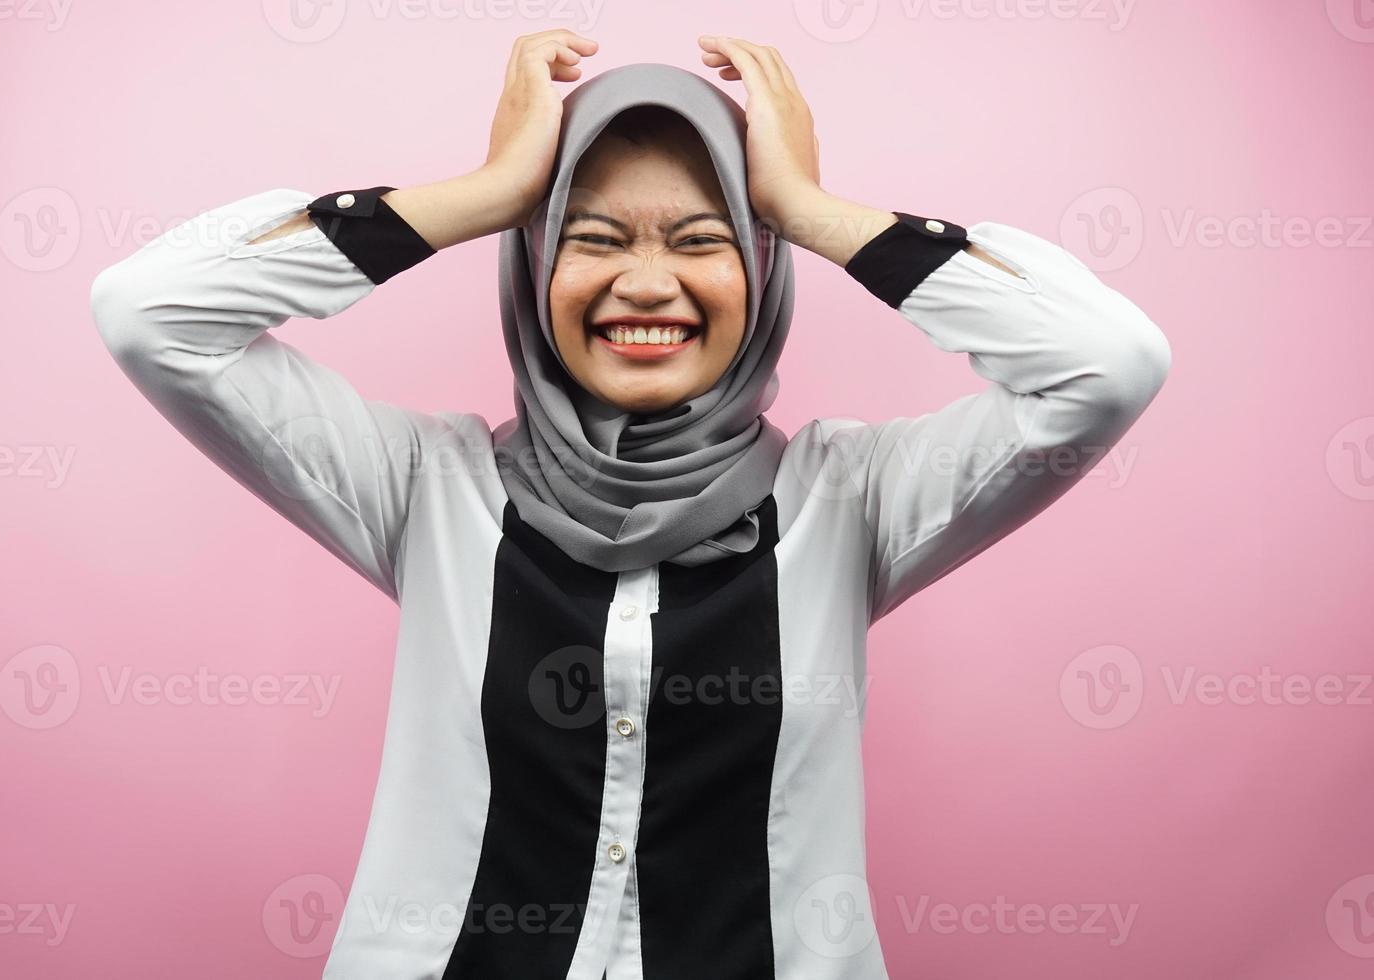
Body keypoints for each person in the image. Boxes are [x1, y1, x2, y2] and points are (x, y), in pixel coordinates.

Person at [89, 30, 1170, 980]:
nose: (646, 285)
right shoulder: (424, 490)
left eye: (702, 240)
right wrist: (483, 193)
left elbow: (1106, 364)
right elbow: (151, 313)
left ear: (760, 267)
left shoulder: (850, 502)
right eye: (593, 238)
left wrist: (815, 211)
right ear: (533, 258)